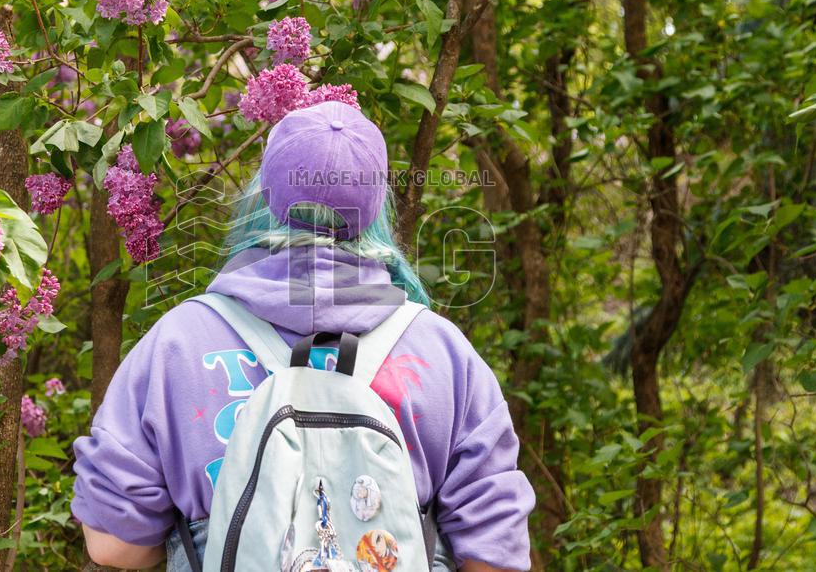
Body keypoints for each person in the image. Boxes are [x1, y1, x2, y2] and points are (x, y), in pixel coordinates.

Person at [71, 101, 536, 571]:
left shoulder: (180, 341)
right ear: (376, 208)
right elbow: (494, 552)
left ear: (266, 195)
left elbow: (116, 546)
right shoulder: (440, 351)